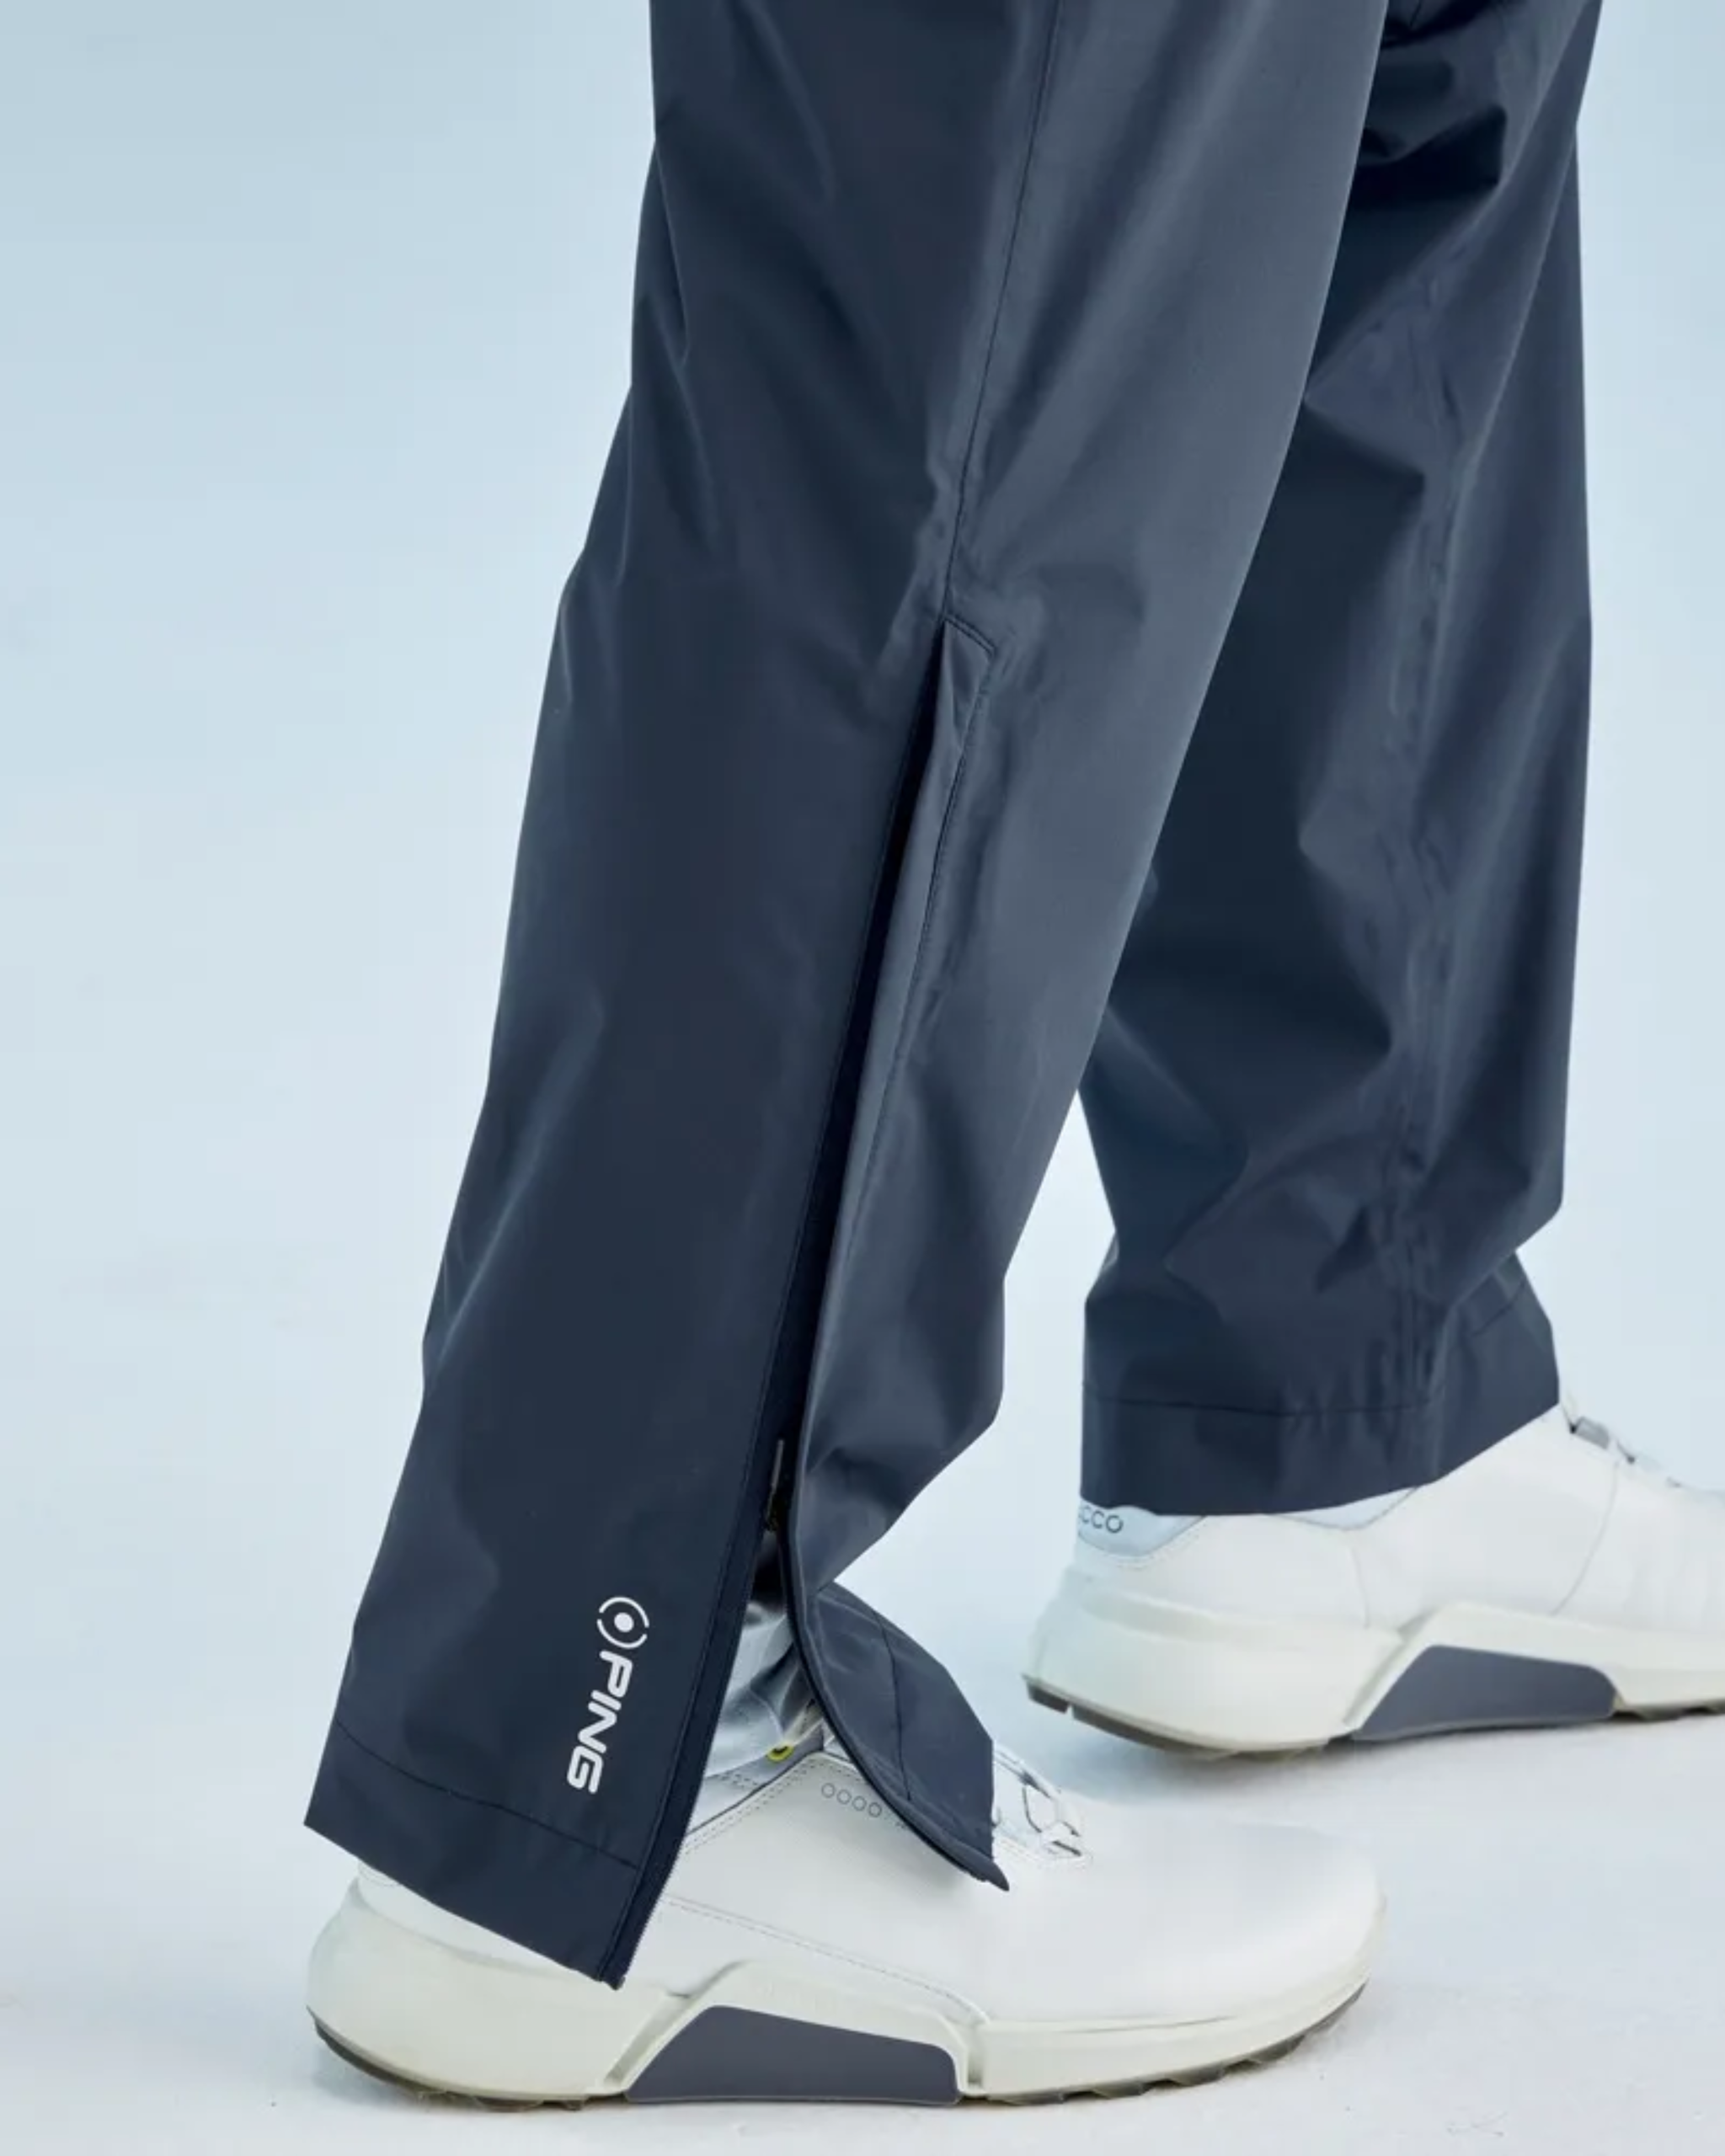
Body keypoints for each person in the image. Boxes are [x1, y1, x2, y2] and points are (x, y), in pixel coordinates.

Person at [302, 0, 1723, 2110]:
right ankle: (601, 1764)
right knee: (970, 224)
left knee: (1402, 101)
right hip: (603, 1754)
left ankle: (1335, 1381)